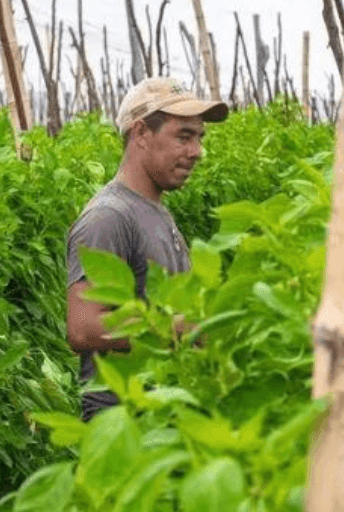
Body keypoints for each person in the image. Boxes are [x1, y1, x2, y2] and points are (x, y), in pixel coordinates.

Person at [65, 77, 227, 422]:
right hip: (124, 424)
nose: (197, 151)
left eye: (199, 138)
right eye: (184, 136)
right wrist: (185, 328)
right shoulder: (108, 217)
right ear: (141, 134)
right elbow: (82, 326)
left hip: (162, 416)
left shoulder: (153, 210)